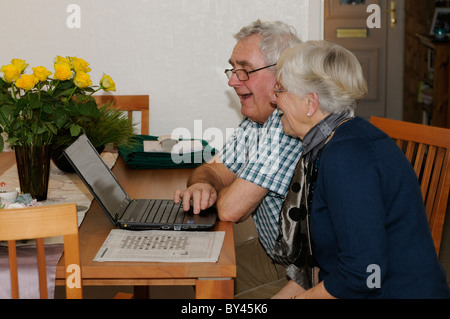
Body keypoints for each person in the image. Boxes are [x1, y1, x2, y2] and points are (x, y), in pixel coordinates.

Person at [271, 40, 450, 298]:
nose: (273, 99)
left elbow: (362, 274)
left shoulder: (347, 157)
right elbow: (329, 262)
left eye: (280, 90)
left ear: (311, 103)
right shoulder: (334, 141)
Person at [173, 20, 302, 298]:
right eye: (233, 69)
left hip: (308, 275)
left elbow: (232, 209)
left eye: (244, 71)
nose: (232, 80)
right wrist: (202, 185)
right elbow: (214, 171)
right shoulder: (258, 120)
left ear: (282, 76)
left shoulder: (287, 126)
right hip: (277, 257)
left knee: (206, 292)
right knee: (192, 268)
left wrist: (217, 191)